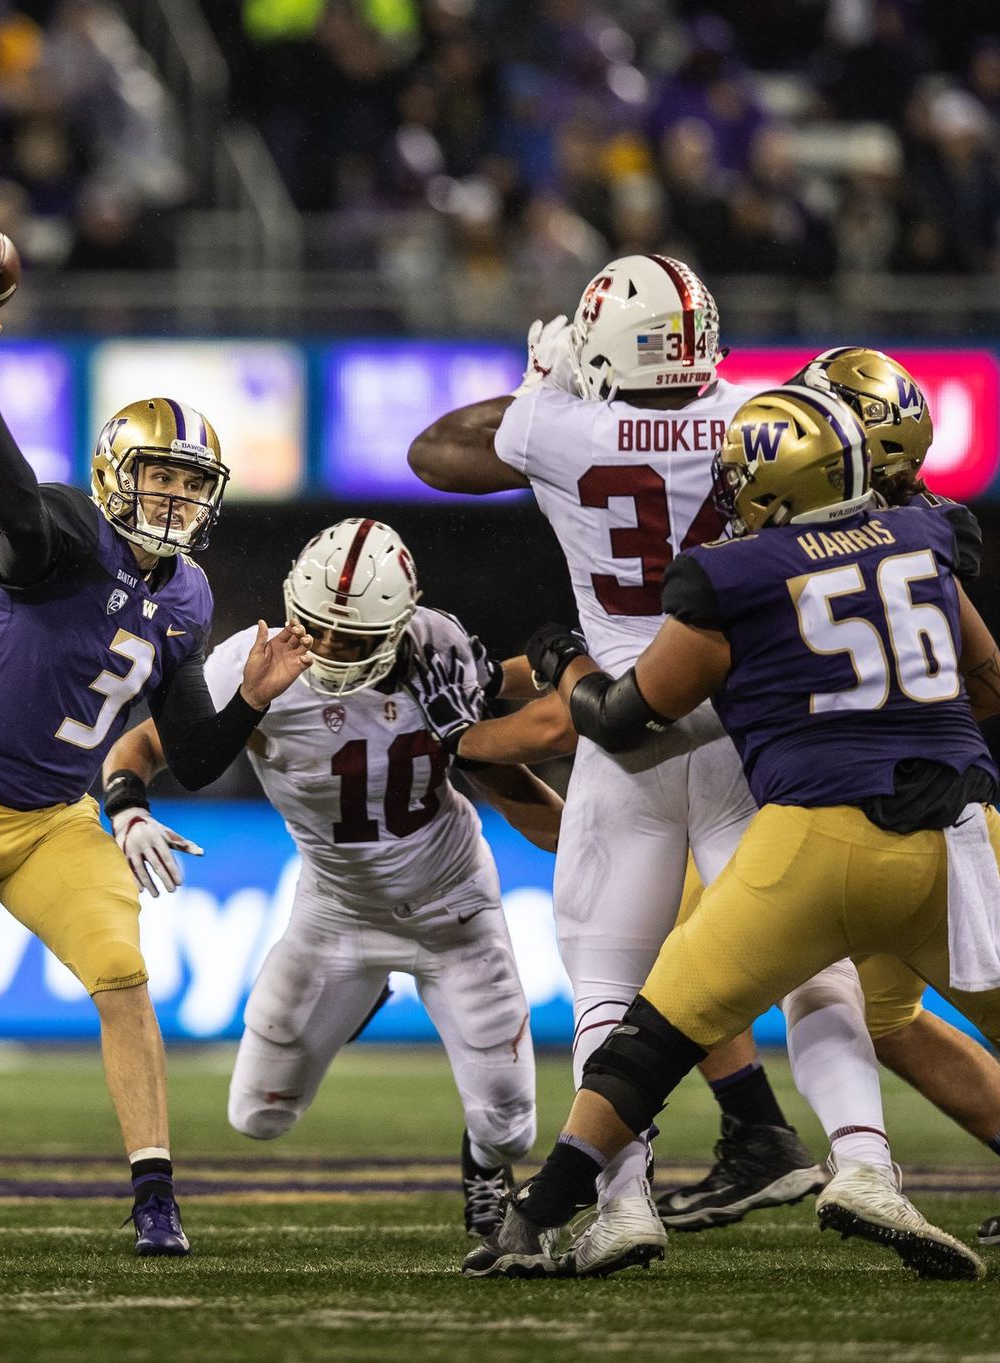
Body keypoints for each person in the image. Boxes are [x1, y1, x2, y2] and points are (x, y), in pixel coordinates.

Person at [478, 386, 1000, 1283]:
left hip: (820, 836)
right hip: (953, 834)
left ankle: (538, 1214)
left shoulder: (735, 574)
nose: (729, 491)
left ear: (776, 484)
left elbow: (623, 720)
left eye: (741, 477)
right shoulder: (927, 535)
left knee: (657, 1031)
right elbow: (992, 686)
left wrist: (563, 658)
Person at [408, 255, 890, 1275]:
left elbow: (433, 455)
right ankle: (863, 1161)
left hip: (623, 732)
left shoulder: (555, 424)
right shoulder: (762, 418)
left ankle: (623, 1202)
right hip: (752, 730)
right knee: (810, 962)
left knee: (606, 983)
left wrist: (546, 384)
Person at [0, 303, 312, 1260]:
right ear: (114, 479)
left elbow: (196, 758)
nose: (173, 499)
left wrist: (247, 699)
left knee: (124, 975)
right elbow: (12, 504)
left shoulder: (191, 596)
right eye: (159, 478)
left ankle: (155, 1194)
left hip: (52, 816)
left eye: (188, 483)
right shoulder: (64, 531)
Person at [657, 348, 1000, 1254]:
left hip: (845, 803)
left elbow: (985, 681)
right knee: (908, 1019)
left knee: (687, 964)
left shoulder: (848, 532)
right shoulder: (915, 525)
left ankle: (762, 1137)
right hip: (914, 797)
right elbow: (987, 685)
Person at [101, 518, 570, 1238]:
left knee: (509, 1130)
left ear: (396, 627)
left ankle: (482, 1164)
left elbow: (500, 771)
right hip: (336, 909)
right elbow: (145, 745)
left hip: (454, 908)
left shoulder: (435, 644)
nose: (323, 647)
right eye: (314, 626)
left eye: (348, 637)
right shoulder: (251, 663)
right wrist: (128, 808)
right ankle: (359, 996)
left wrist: (588, 845)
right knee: (255, 1114)